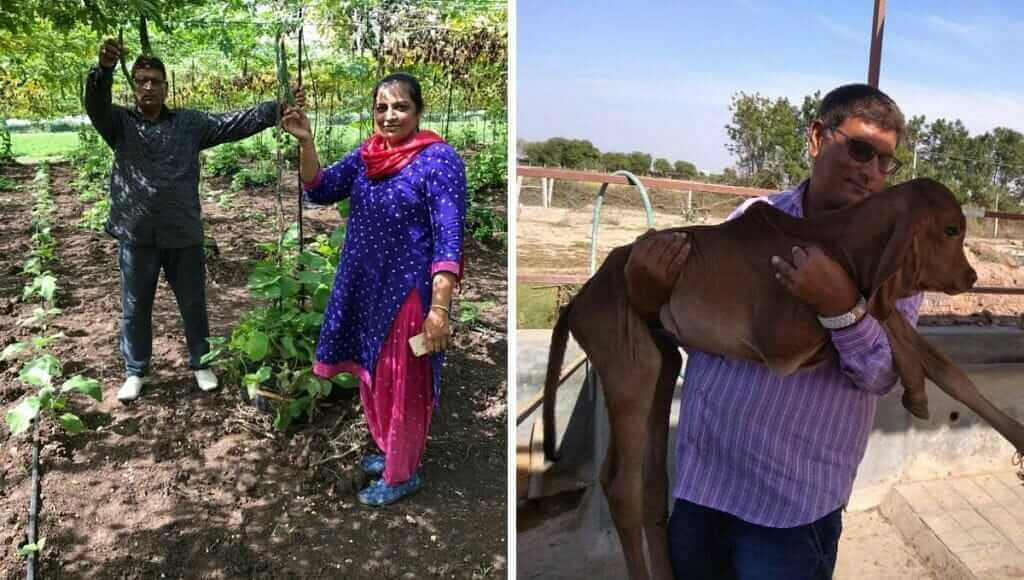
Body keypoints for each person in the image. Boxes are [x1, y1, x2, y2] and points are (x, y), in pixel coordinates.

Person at [627, 83, 920, 579]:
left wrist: (841, 308)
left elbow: (885, 376)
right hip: (705, 484)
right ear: (816, 139)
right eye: (860, 149)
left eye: (884, 161)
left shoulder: (895, 261)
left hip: (791, 508)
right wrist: (650, 293)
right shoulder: (752, 218)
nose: (871, 171)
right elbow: (696, 324)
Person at [280, 72, 466, 507]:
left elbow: (449, 236)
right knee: (374, 373)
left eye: (400, 106)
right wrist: (306, 142)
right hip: (366, 286)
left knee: (405, 381)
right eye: (381, 107)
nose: (389, 115)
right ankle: (388, 450)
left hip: (408, 291)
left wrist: (439, 309)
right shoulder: (368, 155)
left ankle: (403, 473)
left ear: (419, 111)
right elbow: (321, 189)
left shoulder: (439, 159)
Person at [85, 39, 304, 403]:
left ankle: (202, 363)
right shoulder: (119, 123)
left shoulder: (188, 124)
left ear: (166, 87)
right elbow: (94, 103)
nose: (148, 87)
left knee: (193, 302)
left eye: (155, 80)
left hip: (182, 232)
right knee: (135, 306)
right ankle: (136, 371)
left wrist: (275, 109)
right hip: (136, 234)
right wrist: (103, 70)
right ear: (134, 86)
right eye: (141, 80)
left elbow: (233, 122)